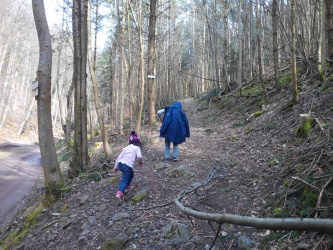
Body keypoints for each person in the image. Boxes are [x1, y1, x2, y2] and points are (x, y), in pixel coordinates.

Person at [114, 131, 143, 205]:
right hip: (127, 166)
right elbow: (139, 156)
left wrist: (116, 167)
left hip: (121, 164)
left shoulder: (126, 148)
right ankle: (119, 194)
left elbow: (118, 158)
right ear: (138, 142)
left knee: (131, 174)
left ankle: (127, 186)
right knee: (125, 180)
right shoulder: (137, 148)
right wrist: (140, 162)